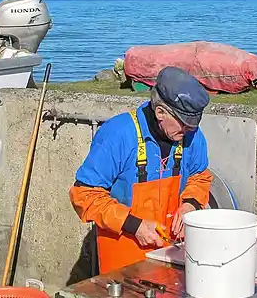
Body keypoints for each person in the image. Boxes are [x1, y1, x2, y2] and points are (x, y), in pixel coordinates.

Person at [69, 66, 213, 275]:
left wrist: (190, 205)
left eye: (193, 125)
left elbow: (200, 177)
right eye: (184, 124)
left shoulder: (191, 135)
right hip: (123, 263)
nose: (189, 131)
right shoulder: (117, 135)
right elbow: (84, 195)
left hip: (172, 258)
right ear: (160, 112)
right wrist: (133, 224)